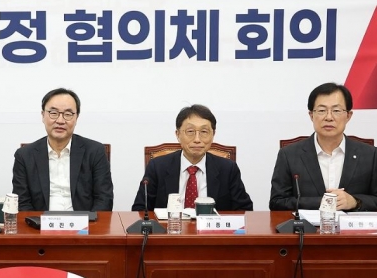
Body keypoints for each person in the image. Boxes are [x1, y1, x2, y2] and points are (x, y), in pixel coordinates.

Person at [269, 82, 377, 211]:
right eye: (321, 110)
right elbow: (277, 202)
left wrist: (355, 201)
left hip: (352, 230)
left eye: (336, 111)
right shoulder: (289, 155)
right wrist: (324, 202)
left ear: (348, 116)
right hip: (306, 230)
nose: (329, 117)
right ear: (311, 115)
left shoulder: (370, 155)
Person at [132, 104, 253, 211]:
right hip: (170, 233)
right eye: (190, 131)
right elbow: (140, 210)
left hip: (212, 235)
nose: (197, 139)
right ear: (178, 134)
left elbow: (244, 210)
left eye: (204, 132)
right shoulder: (157, 167)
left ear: (213, 135)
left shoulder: (228, 169)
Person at [12, 88, 113, 211]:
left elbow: (104, 198)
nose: (60, 121)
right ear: (43, 115)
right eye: (53, 113)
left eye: (68, 114)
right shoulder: (25, 155)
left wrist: (88, 226)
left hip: (85, 226)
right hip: (40, 226)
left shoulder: (95, 151)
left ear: (77, 118)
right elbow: (22, 202)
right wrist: (38, 226)